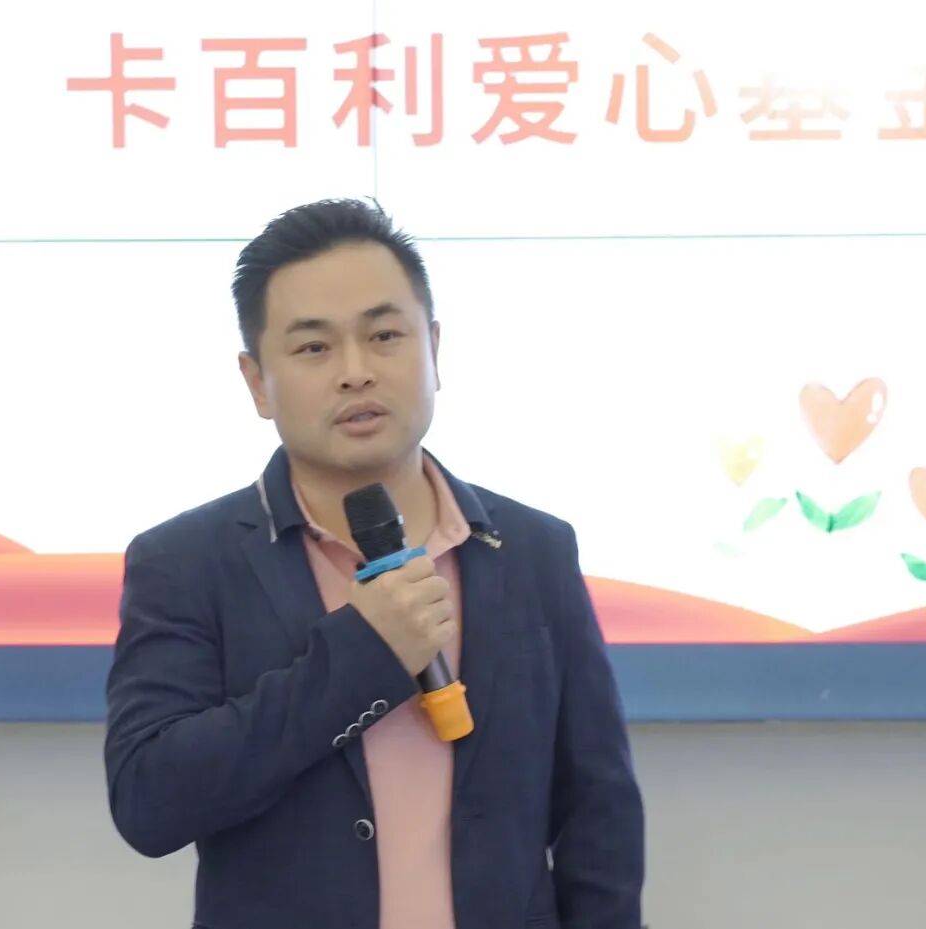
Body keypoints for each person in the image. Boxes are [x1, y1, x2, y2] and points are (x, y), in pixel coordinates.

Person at [104, 198, 646, 929]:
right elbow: (149, 800)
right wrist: (363, 653)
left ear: (434, 349)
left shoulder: (532, 550)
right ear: (257, 382)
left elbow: (599, 814)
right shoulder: (187, 562)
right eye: (314, 348)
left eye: (384, 335)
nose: (356, 372)